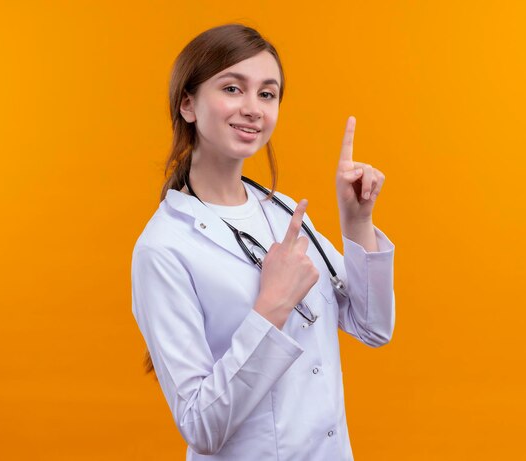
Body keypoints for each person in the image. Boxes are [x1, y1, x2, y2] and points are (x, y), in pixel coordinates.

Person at [131, 23, 395, 461]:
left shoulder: (282, 212)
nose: (253, 108)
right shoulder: (163, 248)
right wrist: (271, 305)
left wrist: (357, 220)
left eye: (267, 94)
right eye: (233, 88)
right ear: (188, 104)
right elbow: (201, 427)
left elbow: (373, 327)